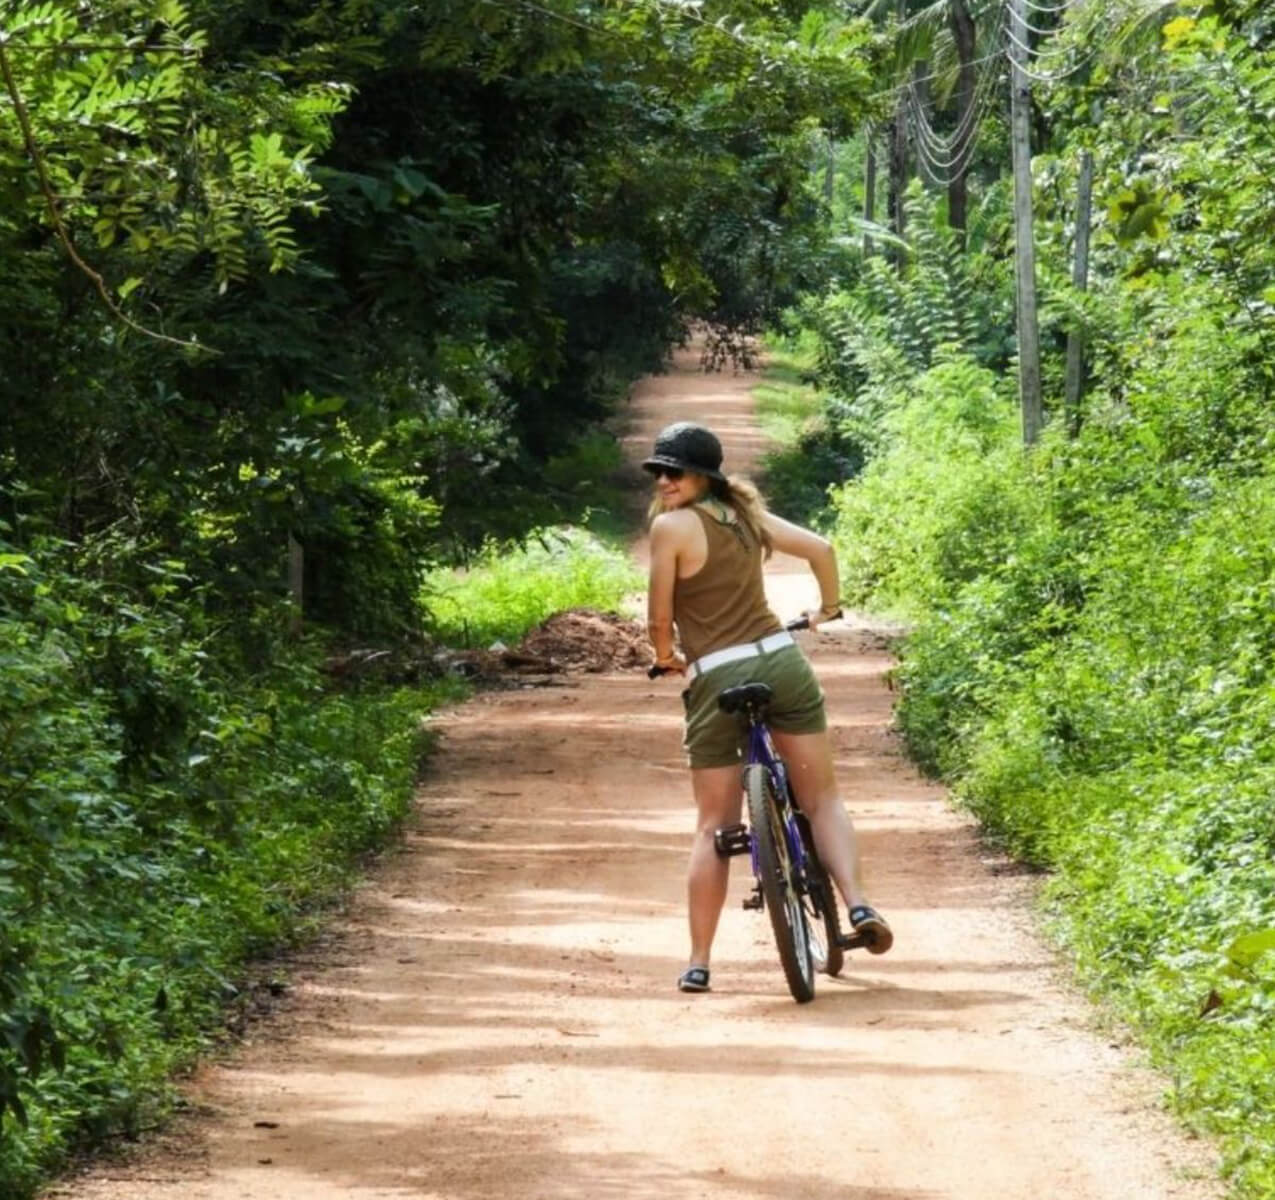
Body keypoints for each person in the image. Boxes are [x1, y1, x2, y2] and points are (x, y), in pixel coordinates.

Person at [643, 420, 892, 993]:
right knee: (821, 796)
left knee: (713, 826)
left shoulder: (671, 528)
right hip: (781, 661)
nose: (663, 481)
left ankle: (699, 961)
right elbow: (821, 549)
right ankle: (856, 904)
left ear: (703, 477)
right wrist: (829, 608)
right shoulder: (749, 517)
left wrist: (665, 656)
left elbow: (660, 620)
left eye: (674, 472)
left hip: (717, 674)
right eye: (658, 472)